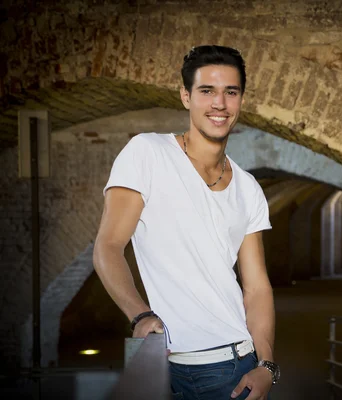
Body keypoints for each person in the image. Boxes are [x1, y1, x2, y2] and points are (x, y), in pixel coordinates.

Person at [93, 45, 279, 400]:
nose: (219, 104)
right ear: (185, 96)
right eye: (207, 91)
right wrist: (140, 316)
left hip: (237, 366)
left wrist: (267, 364)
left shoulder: (248, 187)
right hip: (175, 364)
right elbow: (108, 246)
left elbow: (256, 288)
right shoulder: (147, 153)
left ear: (240, 100)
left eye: (231, 92)